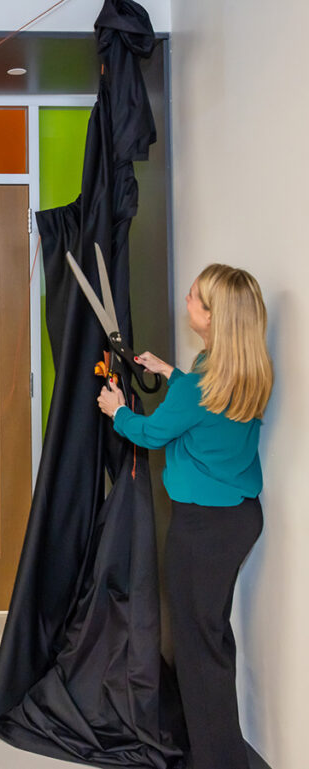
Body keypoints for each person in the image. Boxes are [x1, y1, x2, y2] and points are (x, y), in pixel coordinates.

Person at [97, 264, 272, 769]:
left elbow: (150, 434)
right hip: (238, 520)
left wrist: (116, 409)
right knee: (211, 639)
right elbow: (206, 407)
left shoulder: (198, 387)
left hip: (201, 531)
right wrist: (173, 374)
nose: (187, 300)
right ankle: (222, 752)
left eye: (195, 298)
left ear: (214, 317)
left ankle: (216, 761)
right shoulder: (245, 370)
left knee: (198, 653)